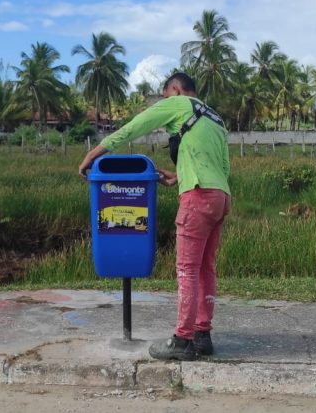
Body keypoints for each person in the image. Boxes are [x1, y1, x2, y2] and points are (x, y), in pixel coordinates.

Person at [78, 72, 230, 361]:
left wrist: (93, 154)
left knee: (186, 268)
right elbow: (221, 165)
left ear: (175, 89)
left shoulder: (180, 103)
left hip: (197, 196)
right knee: (205, 268)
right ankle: (202, 335)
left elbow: (134, 128)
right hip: (220, 197)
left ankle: (183, 340)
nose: (164, 102)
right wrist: (180, 176)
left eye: (165, 97)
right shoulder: (215, 118)